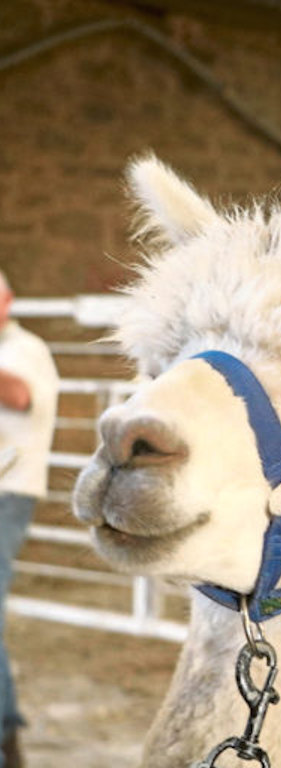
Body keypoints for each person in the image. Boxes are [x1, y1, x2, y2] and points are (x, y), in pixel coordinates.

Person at [0, 270, 58, 768]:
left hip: (8, 491)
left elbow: (19, 397)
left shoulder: (26, 350)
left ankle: (4, 733)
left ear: (8, 302)